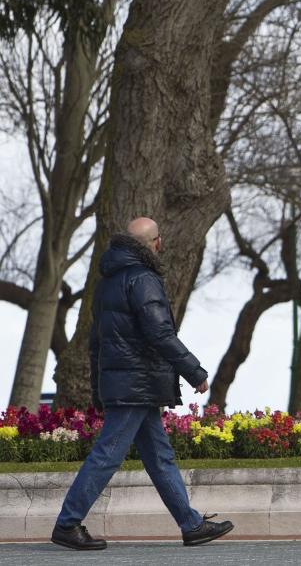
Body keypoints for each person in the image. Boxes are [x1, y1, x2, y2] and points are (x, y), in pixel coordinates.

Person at [51, 218, 233, 550]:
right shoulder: (143, 279)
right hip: (136, 382)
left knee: (160, 457)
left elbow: (97, 342)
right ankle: (67, 523)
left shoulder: (106, 283)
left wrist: (99, 387)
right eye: (158, 239)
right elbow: (160, 332)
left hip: (127, 383)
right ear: (153, 244)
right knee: (107, 454)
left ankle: (191, 525)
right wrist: (194, 371)